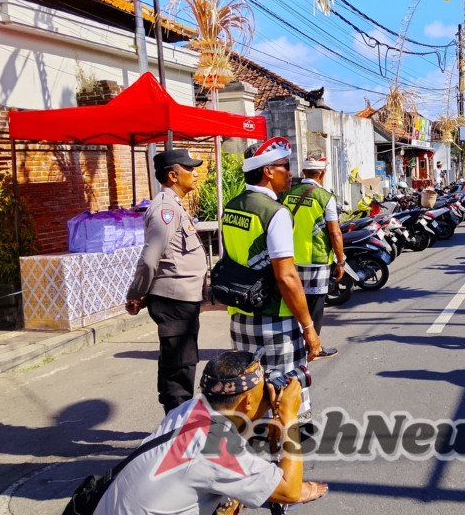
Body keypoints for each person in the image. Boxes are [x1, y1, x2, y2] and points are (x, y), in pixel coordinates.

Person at [93, 350, 329, 514]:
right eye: (262, 385)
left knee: (232, 494)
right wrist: (289, 418)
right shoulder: (216, 448)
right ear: (246, 401)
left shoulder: (189, 409)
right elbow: (290, 491)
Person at [221, 137, 322, 421]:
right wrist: (308, 327)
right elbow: (287, 276)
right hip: (274, 318)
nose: (290, 173)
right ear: (267, 171)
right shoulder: (275, 213)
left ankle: (255, 450)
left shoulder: (232, 205)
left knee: (251, 388)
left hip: (240, 314)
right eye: (284, 166)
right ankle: (282, 455)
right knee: (284, 390)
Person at [126, 149, 207, 415]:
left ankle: (175, 427)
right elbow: (150, 259)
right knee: (180, 370)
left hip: (182, 300)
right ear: (173, 175)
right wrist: (136, 293)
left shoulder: (174, 205)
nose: (195, 173)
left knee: (177, 365)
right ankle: (178, 435)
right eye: (189, 169)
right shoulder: (165, 209)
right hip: (174, 301)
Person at [282, 153, 346, 360]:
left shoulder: (286, 193)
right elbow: (335, 232)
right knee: (315, 306)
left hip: (288, 259)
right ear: (323, 174)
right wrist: (341, 260)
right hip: (315, 260)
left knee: (293, 304)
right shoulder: (325, 197)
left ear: (303, 172)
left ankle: (293, 345)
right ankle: (313, 346)